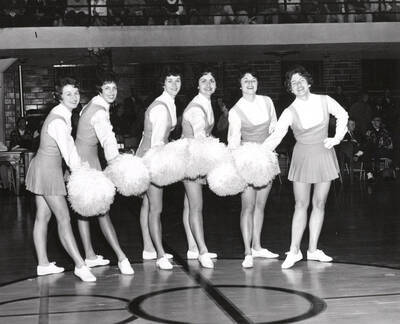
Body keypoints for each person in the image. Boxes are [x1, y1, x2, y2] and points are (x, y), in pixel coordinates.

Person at [263, 65, 348, 269]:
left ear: (309, 82)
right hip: (302, 157)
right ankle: (294, 251)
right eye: (294, 83)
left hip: (324, 154)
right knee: (300, 205)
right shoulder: (289, 111)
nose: (298, 85)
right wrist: (257, 153)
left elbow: (343, 115)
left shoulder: (324, 100)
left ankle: (312, 250)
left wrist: (336, 138)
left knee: (319, 203)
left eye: (301, 80)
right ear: (290, 89)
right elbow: (276, 136)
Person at [25, 77, 96, 282]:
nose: (74, 97)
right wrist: (82, 174)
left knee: (43, 217)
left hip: (44, 167)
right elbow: (69, 152)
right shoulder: (58, 119)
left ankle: (43, 264)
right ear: (59, 97)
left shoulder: (62, 115)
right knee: (63, 218)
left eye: (76, 92)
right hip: (47, 171)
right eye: (68, 94)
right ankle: (80, 265)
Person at [75, 72, 134, 275]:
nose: (112, 92)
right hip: (86, 163)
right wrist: (118, 164)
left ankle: (90, 256)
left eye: (114, 88)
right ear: (100, 89)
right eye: (107, 88)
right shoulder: (99, 111)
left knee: (83, 211)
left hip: (82, 160)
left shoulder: (92, 104)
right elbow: (108, 140)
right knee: (102, 211)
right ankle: (121, 257)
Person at [228, 71, 279, 268]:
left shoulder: (267, 101)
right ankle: (247, 251)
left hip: (266, 159)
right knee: (247, 207)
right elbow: (233, 141)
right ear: (240, 86)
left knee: (260, 206)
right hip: (247, 161)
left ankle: (257, 246)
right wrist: (236, 164)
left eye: (253, 80)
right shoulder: (235, 111)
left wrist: (266, 151)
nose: (250, 83)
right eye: (245, 81)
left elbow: (274, 128)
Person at [136, 67, 181, 270]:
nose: (174, 84)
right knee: (156, 208)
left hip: (146, 155)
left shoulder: (169, 103)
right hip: (151, 158)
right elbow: (156, 143)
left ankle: (148, 248)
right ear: (162, 84)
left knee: (147, 205)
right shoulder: (162, 107)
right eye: (170, 80)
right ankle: (161, 255)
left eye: (177, 80)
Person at [181, 71, 219, 268]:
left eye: (212, 81)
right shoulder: (197, 107)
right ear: (197, 85)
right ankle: (202, 250)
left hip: (195, 156)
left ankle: (193, 248)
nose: (208, 84)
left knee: (189, 205)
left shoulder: (206, 103)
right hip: (192, 159)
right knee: (196, 206)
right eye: (203, 81)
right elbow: (199, 135)